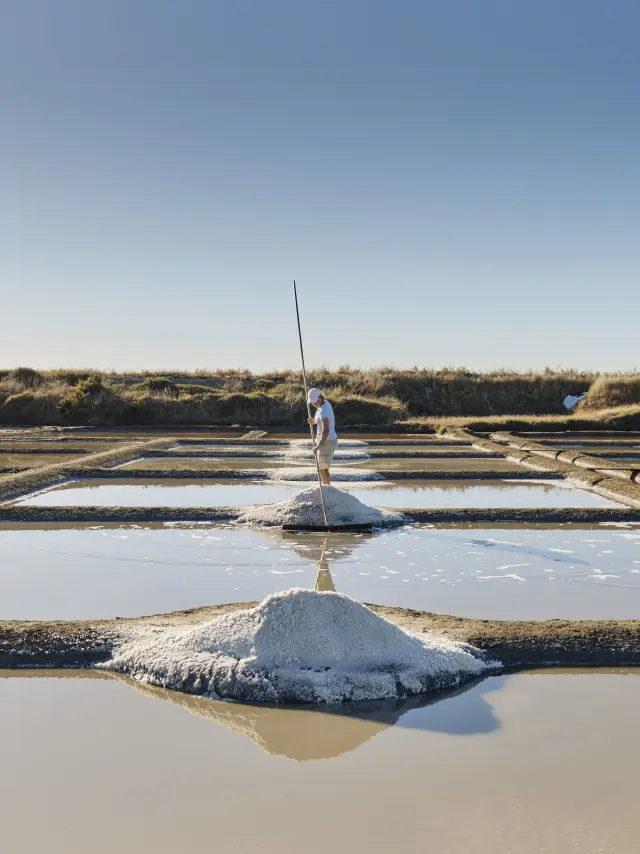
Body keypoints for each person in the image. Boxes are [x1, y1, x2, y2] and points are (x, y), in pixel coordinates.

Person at [307, 387, 338, 485]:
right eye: (312, 402)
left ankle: (327, 489)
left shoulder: (324, 410)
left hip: (326, 441)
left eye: (315, 401)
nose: (314, 404)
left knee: (323, 470)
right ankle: (326, 488)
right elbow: (321, 421)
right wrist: (314, 422)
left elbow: (326, 430)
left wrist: (318, 446)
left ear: (320, 398)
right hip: (325, 441)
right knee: (322, 469)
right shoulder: (323, 405)